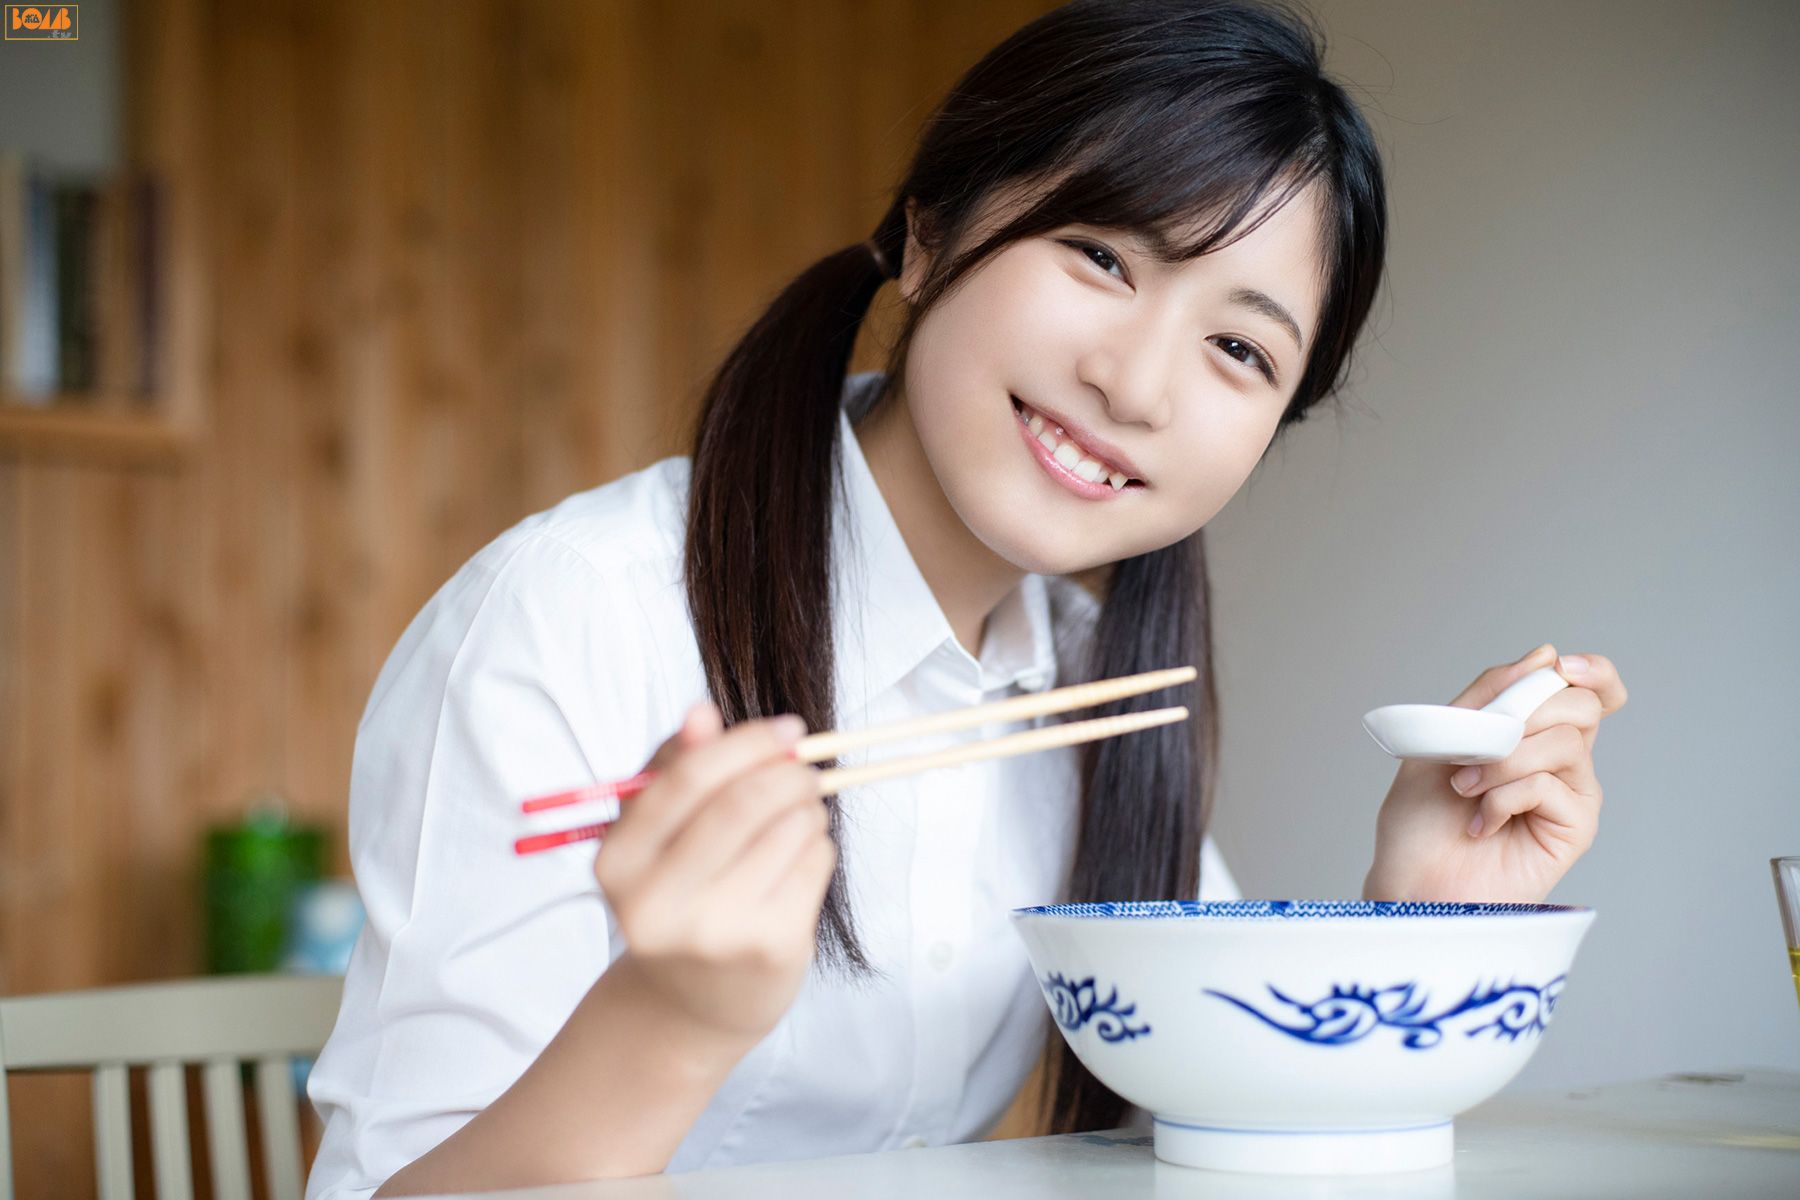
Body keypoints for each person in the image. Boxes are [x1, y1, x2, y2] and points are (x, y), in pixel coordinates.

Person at [304, 1, 1628, 1196]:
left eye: (1238, 347)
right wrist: (677, 1014)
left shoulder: (1092, 686)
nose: (1138, 382)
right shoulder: (567, 617)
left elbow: (1243, 1108)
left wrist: (1424, 912)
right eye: (1102, 256)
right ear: (930, 235)